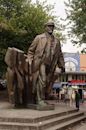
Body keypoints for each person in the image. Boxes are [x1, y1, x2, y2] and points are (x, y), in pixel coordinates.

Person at [27, 19, 65, 106]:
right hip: (41, 62)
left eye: (52, 26)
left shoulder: (57, 41)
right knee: (42, 80)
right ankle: (39, 100)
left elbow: (59, 54)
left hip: (51, 64)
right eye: (49, 26)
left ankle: (41, 98)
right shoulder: (39, 38)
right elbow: (31, 50)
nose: (50, 28)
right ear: (45, 27)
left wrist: (62, 65)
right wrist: (29, 60)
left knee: (47, 81)